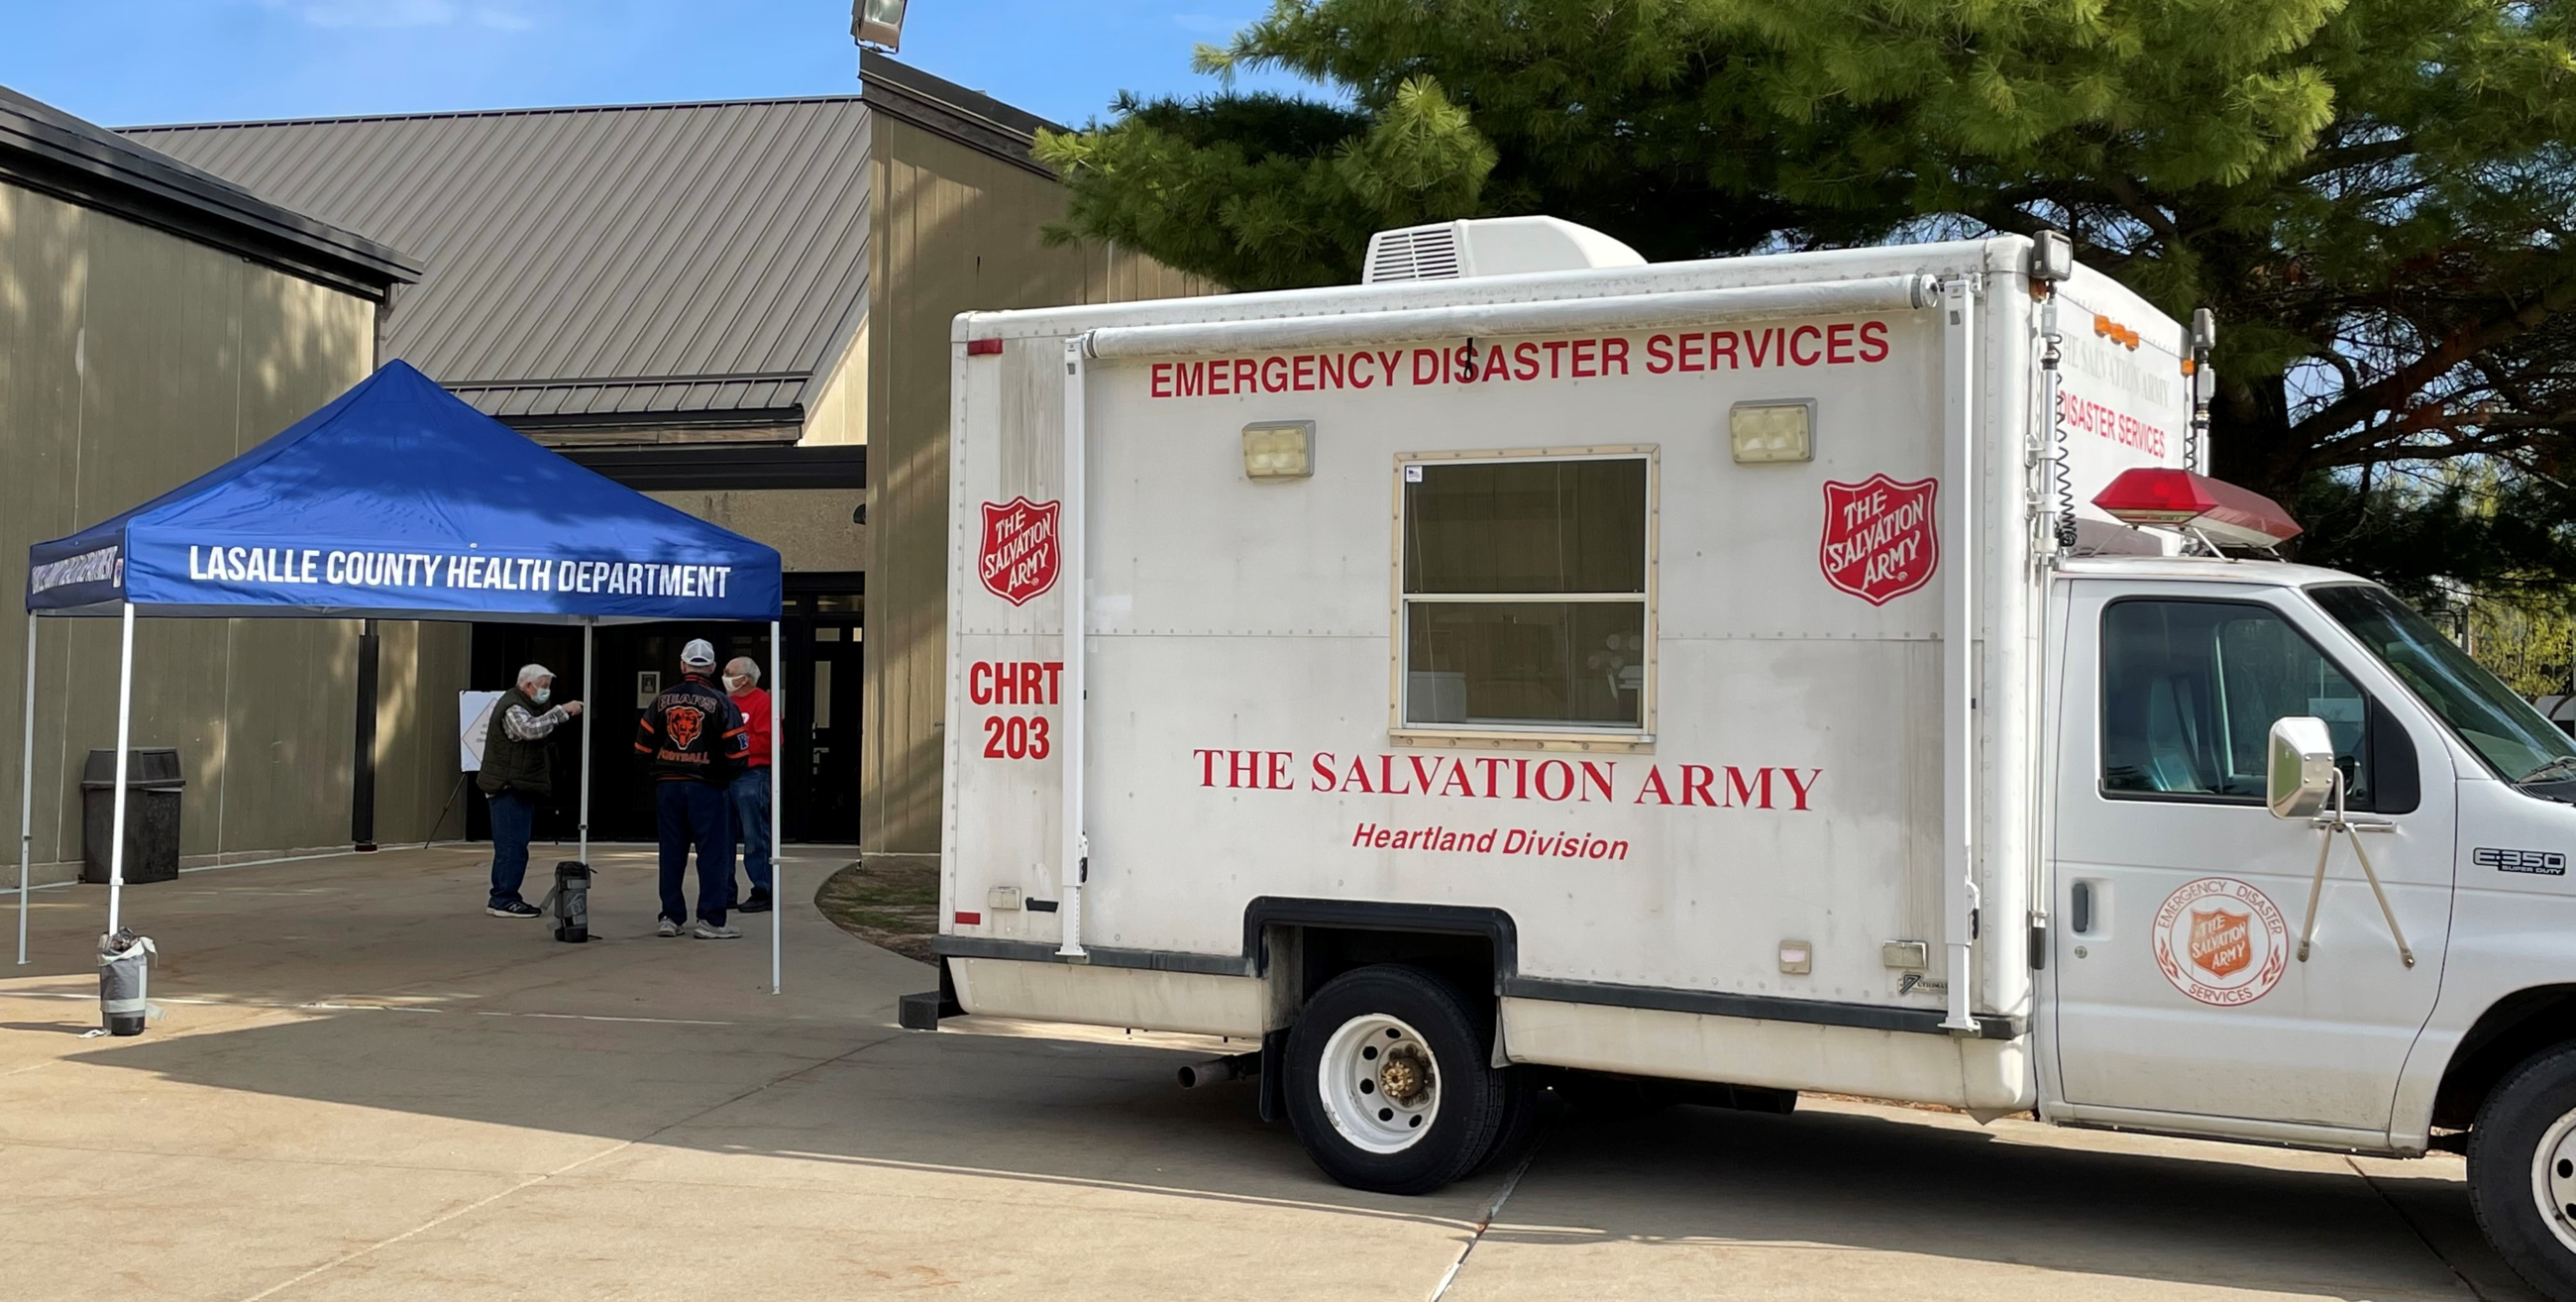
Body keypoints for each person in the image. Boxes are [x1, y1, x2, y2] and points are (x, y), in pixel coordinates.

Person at [635, 638, 750, 939]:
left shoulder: (661, 701)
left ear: (683, 665)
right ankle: (710, 921)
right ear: (711, 668)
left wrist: (659, 772)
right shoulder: (723, 702)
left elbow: (641, 747)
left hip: (668, 788)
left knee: (671, 853)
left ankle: (670, 918)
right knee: (712, 854)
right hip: (708, 789)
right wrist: (722, 776)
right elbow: (739, 753)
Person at [477, 664, 583, 918]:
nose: (546, 692)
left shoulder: (525, 704)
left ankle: (501, 896)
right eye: (544, 687)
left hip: (517, 785)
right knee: (512, 847)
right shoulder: (513, 706)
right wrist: (561, 712)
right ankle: (504, 899)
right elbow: (529, 730)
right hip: (508, 786)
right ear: (527, 685)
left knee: (511, 846)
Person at [722, 656, 775, 914]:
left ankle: (762, 889)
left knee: (755, 835)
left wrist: (733, 743)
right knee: (723, 837)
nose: (724, 675)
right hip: (724, 775)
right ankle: (725, 891)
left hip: (752, 774)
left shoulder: (764, 702)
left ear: (744, 678)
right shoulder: (724, 702)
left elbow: (768, 741)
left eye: (729, 672)